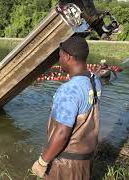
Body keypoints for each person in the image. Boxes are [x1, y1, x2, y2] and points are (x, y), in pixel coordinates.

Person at [31, 36, 102, 179]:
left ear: (68, 57)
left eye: (60, 56)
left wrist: (42, 161)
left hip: (66, 163)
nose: (59, 60)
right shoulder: (94, 80)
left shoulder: (69, 90)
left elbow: (62, 133)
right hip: (85, 160)